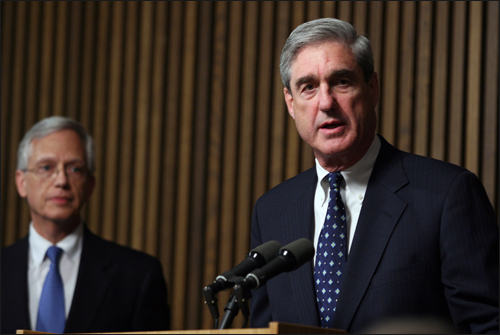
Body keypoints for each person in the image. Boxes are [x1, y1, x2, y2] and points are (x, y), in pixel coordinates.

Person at [249, 18, 499, 333]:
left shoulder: (447, 194)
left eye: (341, 81)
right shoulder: (271, 210)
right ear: (290, 102)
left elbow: (488, 326)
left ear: (372, 88)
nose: (326, 103)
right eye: (308, 87)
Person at [1, 116, 171, 334]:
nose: (61, 180)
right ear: (21, 182)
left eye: (75, 169)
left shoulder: (137, 276)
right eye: (46, 167)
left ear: (90, 185)